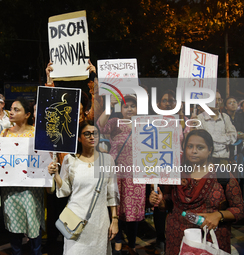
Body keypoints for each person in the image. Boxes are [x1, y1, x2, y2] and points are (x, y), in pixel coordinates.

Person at [150, 129, 244, 254]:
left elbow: (240, 209)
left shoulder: (222, 175)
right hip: (177, 239)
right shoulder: (176, 174)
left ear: (210, 150)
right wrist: (160, 201)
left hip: (209, 241)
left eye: (200, 147)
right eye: (190, 146)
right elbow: (168, 202)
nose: (194, 151)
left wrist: (219, 215)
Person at [48, 120, 119, 255]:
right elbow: (65, 190)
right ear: (79, 138)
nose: (92, 137)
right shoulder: (70, 159)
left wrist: (114, 219)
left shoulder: (107, 160)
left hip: (99, 221)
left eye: (95, 134)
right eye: (87, 134)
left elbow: (112, 192)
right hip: (75, 220)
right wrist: (56, 175)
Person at [98, 95, 144, 255]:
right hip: (116, 172)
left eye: (133, 106)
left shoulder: (144, 124)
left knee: (133, 209)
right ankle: (117, 240)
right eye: (126, 106)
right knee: (115, 206)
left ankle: (131, 242)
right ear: (121, 109)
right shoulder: (114, 122)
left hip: (137, 174)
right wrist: (109, 107)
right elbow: (100, 126)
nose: (130, 109)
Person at [0, 97, 43, 255]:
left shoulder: (36, 133)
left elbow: (44, 158)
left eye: (16, 109)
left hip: (31, 189)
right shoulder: (4, 133)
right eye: (11, 109)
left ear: (27, 114)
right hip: (11, 189)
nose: (11, 112)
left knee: (33, 224)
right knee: (14, 225)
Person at [193, 91, 237, 165]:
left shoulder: (225, 117)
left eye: (219, 99)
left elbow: (233, 137)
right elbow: (202, 139)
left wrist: (211, 137)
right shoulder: (199, 118)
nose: (217, 102)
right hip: (206, 159)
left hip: (223, 159)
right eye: (214, 100)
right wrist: (224, 140)